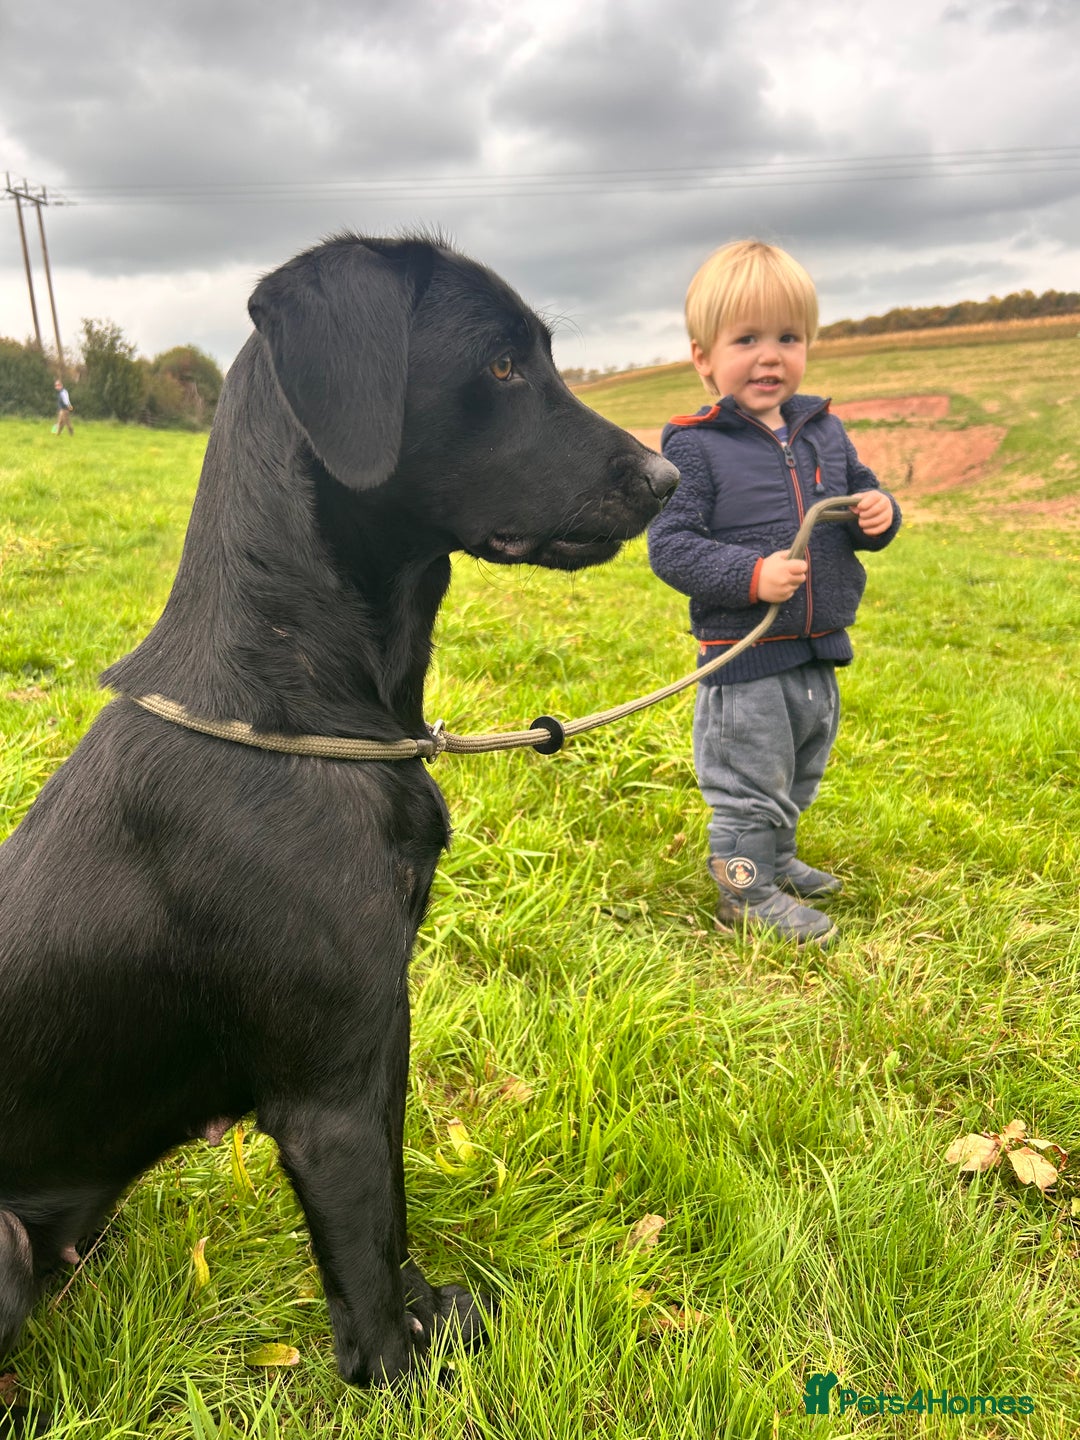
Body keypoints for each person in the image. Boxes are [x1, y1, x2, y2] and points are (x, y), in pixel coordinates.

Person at [648, 240, 901, 946]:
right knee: (748, 781)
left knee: (798, 769)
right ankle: (742, 891)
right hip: (746, 656)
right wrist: (749, 576)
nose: (770, 357)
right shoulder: (695, 446)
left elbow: (860, 505)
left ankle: (778, 859)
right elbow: (670, 547)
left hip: (818, 649)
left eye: (788, 338)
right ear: (704, 357)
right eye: (747, 340)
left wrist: (880, 512)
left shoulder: (824, 431)